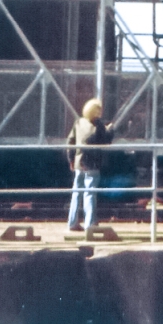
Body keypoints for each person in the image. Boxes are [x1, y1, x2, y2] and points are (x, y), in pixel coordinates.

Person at [65, 98, 112, 232]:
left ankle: (72, 223)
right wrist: (111, 130)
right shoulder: (98, 126)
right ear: (96, 111)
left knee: (76, 193)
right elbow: (105, 142)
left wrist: (71, 159)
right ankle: (89, 224)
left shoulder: (79, 122)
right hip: (92, 164)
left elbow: (70, 141)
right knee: (90, 193)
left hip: (79, 163)